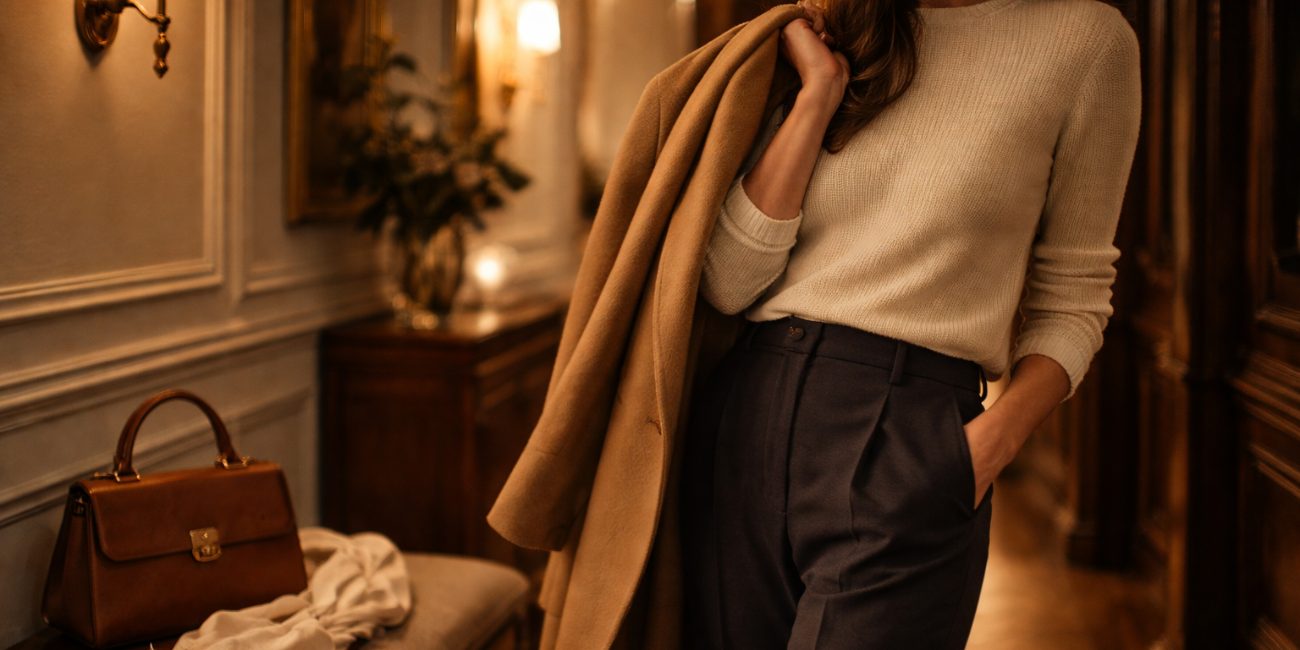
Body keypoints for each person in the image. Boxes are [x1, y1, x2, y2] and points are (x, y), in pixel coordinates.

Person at [678, 0, 1142, 648]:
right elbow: (727, 283)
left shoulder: (1086, 40)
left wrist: (986, 449)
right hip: (745, 417)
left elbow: (1074, 295)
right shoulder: (838, 27)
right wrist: (819, 94)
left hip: (908, 438)